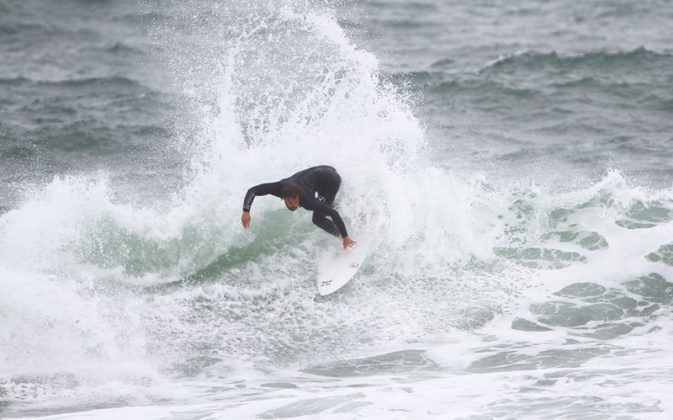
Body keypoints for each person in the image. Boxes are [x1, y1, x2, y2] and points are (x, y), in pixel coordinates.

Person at [241, 165, 356, 249]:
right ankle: (340, 205)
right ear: (284, 197)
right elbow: (253, 190)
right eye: (290, 203)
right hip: (324, 170)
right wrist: (246, 210)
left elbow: (333, 214)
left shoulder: (308, 201)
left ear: (299, 197)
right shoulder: (278, 188)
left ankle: (344, 239)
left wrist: (345, 236)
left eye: (296, 202)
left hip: (331, 180)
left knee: (318, 219)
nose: (294, 205)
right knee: (324, 206)